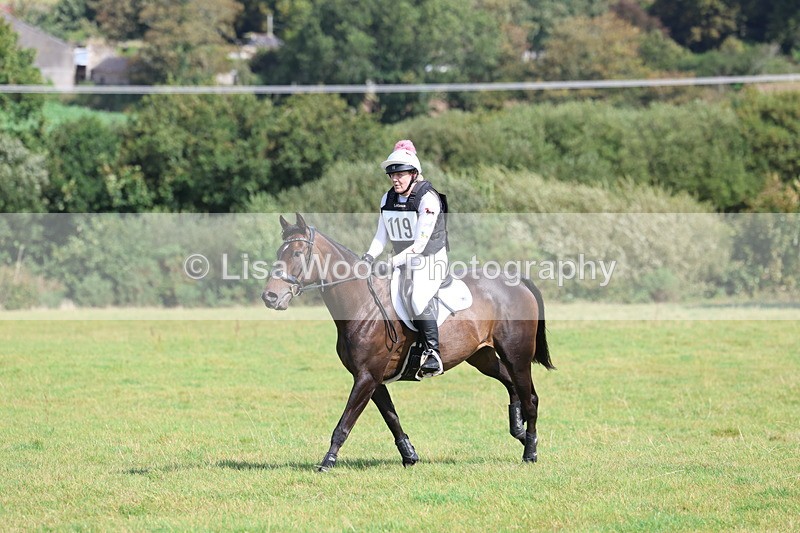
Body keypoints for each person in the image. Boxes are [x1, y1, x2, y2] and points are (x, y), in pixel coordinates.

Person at [362, 140, 449, 377]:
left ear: (414, 174)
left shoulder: (428, 199)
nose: (395, 179)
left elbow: (420, 246)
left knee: (418, 298)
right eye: (392, 175)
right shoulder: (387, 199)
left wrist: (388, 264)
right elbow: (381, 235)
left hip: (431, 260)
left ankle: (433, 353)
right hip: (403, 260)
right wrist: (368, 257)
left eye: (400, 174)